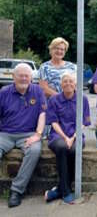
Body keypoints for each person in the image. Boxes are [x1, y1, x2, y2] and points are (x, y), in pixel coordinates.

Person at [0, 63, 46, 208]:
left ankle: (16, 190)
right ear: (14, 77)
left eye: (27, 76)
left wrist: (38, 134)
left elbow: (42, 113)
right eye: (20, 75)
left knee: (34, 151)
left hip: (28, 134)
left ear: (31, 78)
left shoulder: (37, 91)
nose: (24, 78)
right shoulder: (4, 91)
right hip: (5, 134)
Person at [44, 73, 91, 204]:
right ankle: (65, 191)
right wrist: (65, 137)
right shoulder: (54, 100)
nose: (68, 83)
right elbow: (53, 122)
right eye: (65, 81)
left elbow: (84, 122)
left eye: (71, 81)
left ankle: (60, 189)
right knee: (62, 147)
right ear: (61, 84)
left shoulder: (83, 99)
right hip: (58, 135)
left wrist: (73, 137)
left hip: (76, 135)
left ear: (75, 84)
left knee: (74, 150)